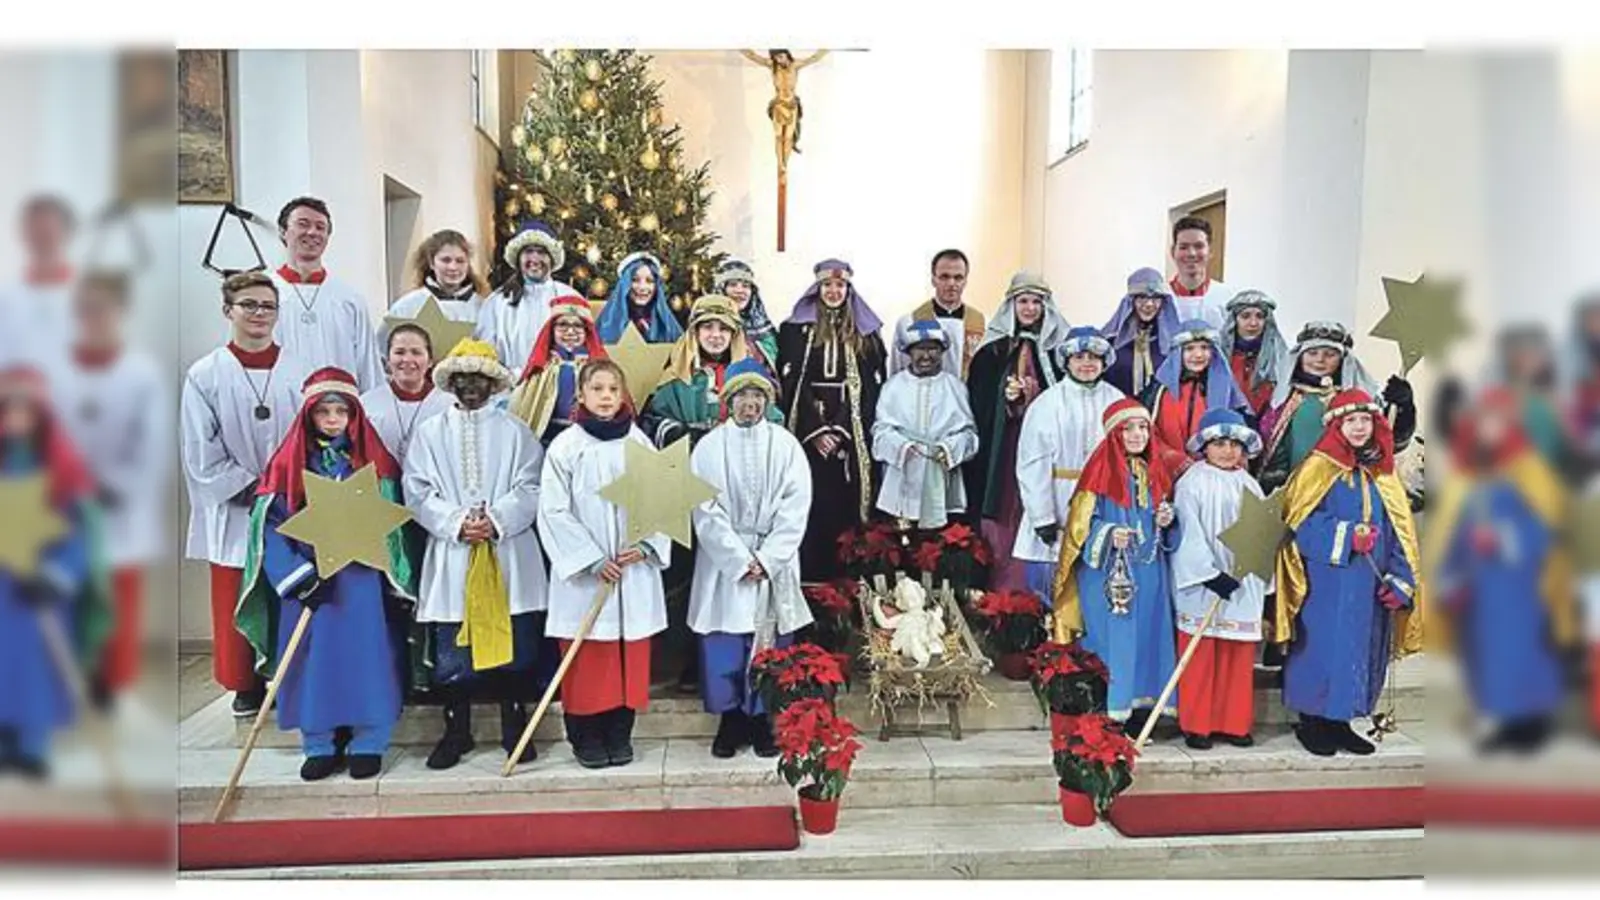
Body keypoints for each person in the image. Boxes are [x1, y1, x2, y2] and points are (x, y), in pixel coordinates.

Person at [235, 368, 406, 781]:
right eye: (323, 411)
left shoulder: (371, 465)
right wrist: (296, 576)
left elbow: (395, 530)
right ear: (309, 415)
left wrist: (389, 573)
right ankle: (319, 739)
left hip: (360, 581)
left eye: (340, 411)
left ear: (354, 416)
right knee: (311, 660)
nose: (332, 419)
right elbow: (270, 528)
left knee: (366, 656)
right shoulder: (289, 467)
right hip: (310, 584)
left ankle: (369, 737)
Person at [403, 339, 548, 770]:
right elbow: (417, 488)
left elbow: (532, 486)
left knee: (516, 645)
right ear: (450, 383)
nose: (470, 387)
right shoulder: (429, 433)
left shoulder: (516, 431)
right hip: (454, 552)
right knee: (454, 653)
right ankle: (457, 729)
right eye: (462, 380)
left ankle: (514, 725)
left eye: (479, 379)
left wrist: (498, 520)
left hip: (507, 551)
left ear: (492, 383)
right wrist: (454, 522)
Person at [181, 272, 314, 716]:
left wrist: (287, 483)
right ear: (228, 311)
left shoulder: (299, 369)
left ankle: (290, 674)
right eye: (249, 305)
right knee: (237, 591)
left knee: (288, 587)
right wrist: (250, 484)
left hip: (289, 501)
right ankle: (245, 684)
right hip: (237, 506)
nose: (259, 314)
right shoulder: (205, 374)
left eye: (268, 306)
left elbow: (313, 432)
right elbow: (200, 445)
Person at [537, 360, 672, 768]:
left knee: (627, 656)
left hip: (631, 571)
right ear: (581, 395)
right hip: (588, 577)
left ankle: (619, 732)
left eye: (614, 388)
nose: (607, 396)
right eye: (597, 389)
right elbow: (553, 510)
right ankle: (585, 737)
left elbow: (661, 498)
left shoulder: (639, 443)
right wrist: (592, 559)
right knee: (589, 659)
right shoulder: (567, 446)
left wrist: (648, 544)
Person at [1273, 389, 1423, 757]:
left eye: (1365, 420)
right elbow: (1298, 522)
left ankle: (1342, 720)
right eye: (1351, 420)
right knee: (1323, 646)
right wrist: (1343, 536)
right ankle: (1312, 720)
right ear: (1337, 426)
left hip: (1372, 582)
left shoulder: (1382, 472)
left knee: (1362, 649)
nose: (1359, 427)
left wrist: (1402, 581)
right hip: (1327, 582)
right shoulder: (1317, 468)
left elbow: (1402, 531)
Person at [53, 272, 172, 709]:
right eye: (86, 308)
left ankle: (110, 688)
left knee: (117, 603)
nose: (94, 317)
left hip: (119, 506)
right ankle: (60, 684)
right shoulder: (54, 370)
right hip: (62, 508)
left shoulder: (140, 374)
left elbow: (153, 441)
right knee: (63, 596)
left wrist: (115, 483)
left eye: (103, 308)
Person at [1430, 387, 1570, 754]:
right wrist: (1451, 579)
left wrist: (1506, 539)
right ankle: (1499, 721)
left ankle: (1530, 725)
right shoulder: (1469, 474)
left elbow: (1548, 525)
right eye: (1482, 421)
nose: (1488, 429)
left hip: (1520, 585)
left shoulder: (1529, 470)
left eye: (1496, 421)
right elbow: (1455, 534)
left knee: (1522, 653)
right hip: (1479, 588)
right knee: (1485, 656)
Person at [687, 359, 812, 758]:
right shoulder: (709, 447)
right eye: (742, 395)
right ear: (729, 399)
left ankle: (763, 718)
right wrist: (740, 561)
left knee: (768, 642)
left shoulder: (785, 444)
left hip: (773, 559)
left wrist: (769, 558)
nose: (750, 404)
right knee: (725, 640)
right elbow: (704, 508)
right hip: (726, 562)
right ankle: (730, 720)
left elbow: (796, 505)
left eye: (758, 395)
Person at [1051, 399, 1181, 737]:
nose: (1138, 435)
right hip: (1108, 574)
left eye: (1143, 428)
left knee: (1148, 634)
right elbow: (1078, 530)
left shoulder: (1155, 471)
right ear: (1114, 434)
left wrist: (1166, 519)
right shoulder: (1098, 473)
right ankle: (1109, 710)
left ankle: (1139, 709)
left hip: (1149, 570)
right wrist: (1108, 533)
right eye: (1129, 428)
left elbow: (1161, 524)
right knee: (1115, 637)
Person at [0, 366, 106, 779]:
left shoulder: (60, 470)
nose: (17, 422)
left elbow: (81, 531)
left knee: (33, 666)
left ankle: (32, 743)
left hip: (37, 590)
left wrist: (57, 575)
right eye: (10, 412)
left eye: (26, 413)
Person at [776, 259, 889, 582]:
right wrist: (815, 430)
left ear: (848, 289)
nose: (834, 291)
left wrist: (840, 429)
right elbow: (791, 382)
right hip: (808, 431)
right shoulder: (795, 330)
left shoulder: (865, 333)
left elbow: (870, 384)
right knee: (811, 500)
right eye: (828, 285)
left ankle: (847, 578)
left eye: (840, 286)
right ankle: (809, 574)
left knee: (846, 501)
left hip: (850, 432)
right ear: (818, 288)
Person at [1170, 409, 1272, 750]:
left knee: (1237, 656)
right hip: (1205, 585)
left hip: (1242, 584)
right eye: (1220, 444)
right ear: (1205, 446)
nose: (1228, 451)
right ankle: (1198, 724)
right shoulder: (1191, 483)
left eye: (1235, 445)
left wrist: (1258, 570)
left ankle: (1234, 722)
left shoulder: (1250, 484)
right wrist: (1208, 574)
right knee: (1201, 654)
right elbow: (1188, 531)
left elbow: (1261, 532)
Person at [966, 272, 1070, 590]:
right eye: (1023, 301)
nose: (1029, 309)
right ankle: (1003, 588)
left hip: (1047, 450)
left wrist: (1034, 394)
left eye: (1036, 302)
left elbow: (1067, 396)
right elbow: (980, 404)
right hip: (1005, 448)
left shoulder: (1060, 351)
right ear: (1011, 305)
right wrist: (1006, 401)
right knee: (1004, 511)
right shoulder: (992, 352)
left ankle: (1041, 589)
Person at [1014, 326, 1124, 606]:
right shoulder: (1047, 404)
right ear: (1067, 361)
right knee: (1050, 584)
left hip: (1102, 500)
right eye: (1080, 357)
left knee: (1095, 582)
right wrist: (1042, 517)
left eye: (1094, 357)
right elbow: (1032, 463)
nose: (1087, 363)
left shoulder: (1117, 401)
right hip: (1058, 500)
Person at [1258, 321, 1414, 494]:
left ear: (1342, 360)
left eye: (1329, 354)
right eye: (1312, 353)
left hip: (1348, 490)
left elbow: (1391, 441)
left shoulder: (1361, 399)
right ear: (1300, 356)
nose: (1319, 359)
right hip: (1297, 490)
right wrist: (1276, 485)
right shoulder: (1285, 398)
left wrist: (1403, 408)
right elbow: (1276, 450)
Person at [873, 319, 979, 530]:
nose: (926, 356)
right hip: (903, 473)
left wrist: (949, 449)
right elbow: (880, 431)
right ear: (909, 352)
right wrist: (902, 446)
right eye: (920, 349)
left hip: (941, 472)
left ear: (942, 352)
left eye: (933, 349)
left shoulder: (955, 387)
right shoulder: (892, 387)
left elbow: (969, 435)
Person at [269, 196, 383, 391]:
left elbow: (368, 364)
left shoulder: (349, 299)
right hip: (280, 405)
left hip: (338, 410)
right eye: (303, 224)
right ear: (282, 232)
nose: (312, 232)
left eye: (321, 227)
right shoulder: (264, 295)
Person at [648, 293, 781, 449]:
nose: (716, 335)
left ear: (734, 334)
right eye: (707, 327)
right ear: (695, 332)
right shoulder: (677, 378)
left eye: (724, 328)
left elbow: (774, 421)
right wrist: (685, 435)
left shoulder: (749, 378)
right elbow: (654, 420)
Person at [1140, 319, 1253, 466]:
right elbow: (1148, 428)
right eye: (1189, 348)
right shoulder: (1159, 389)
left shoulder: (1226, 389)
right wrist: (1170, 455)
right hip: (1166, 467)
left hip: (1213, 469)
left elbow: (1237, 434)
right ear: (1178, 352)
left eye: (1205, 348)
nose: (1198, 354)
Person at [508, 293, 608, 446]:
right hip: (548, 434)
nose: (570, 332)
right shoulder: (544, 367)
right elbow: (528, 404)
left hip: (587, 437)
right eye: (563, 325)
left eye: (577, 326)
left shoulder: (595, 368)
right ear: (552, 330)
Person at [478, 220, 575, 371]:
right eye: (528, 251)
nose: (535, 259)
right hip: (510, 388)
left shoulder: (569, 298)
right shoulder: (497, 302)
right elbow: (486, 350)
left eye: (542, 252)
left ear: (552, 258)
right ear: (518, 258)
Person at [0, 195, 78, 367]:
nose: (40, 239)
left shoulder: (91, 295)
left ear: (67, 233)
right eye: (34, 230)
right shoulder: (5, 297)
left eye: (47, 231)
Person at [361, 324, 453, 467]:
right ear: (388, 360)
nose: (407, 359)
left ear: (430, 361)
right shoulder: (368, 404)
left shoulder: (449, 405)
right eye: (399, 352)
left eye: (416, 352)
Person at [382, 229, 490, 349]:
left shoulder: (483, 307)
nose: (453, 267)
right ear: (432, 263)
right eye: (446, 260)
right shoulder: (408, 306)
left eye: (460, 261)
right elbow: (383, 349)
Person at [889, 249, 986, 380]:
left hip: (967, 398)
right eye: (944, 277)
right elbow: (897, 374)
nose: (952, 283)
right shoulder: (910, 322)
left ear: (965, 281)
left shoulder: (980, 323)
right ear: (933, 279)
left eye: (958, 277)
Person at [1101, 267, 1180, 399]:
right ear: (1131, 301)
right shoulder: (1110, 343)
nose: (1149, 304)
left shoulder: (1173, 343)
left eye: (1156, 298)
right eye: (1142, 297)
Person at [1218, 290, 1288, 419]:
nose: (1253, 323)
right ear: (1235, 319)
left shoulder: (1279, 355)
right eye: (1245, 316)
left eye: (1260, 316)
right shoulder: (1220, 354)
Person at [595, 251, 684, 345]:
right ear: (624, 285)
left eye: (649, 281)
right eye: (635, 280)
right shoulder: (608, 322)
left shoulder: (667, 325)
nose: (642, 287)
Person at [712, 258, 780, 367]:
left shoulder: (763, 327)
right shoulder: (707, 325)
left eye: (746, 286)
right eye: (733, 285)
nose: (740, 291)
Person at [1167, 216, 1229, 330]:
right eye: (1183, 247)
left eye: (1198, 246)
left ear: (1210, 251)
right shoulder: (1159, 299)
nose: (1191, 253)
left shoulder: (1227, 299)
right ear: (1172, 252)